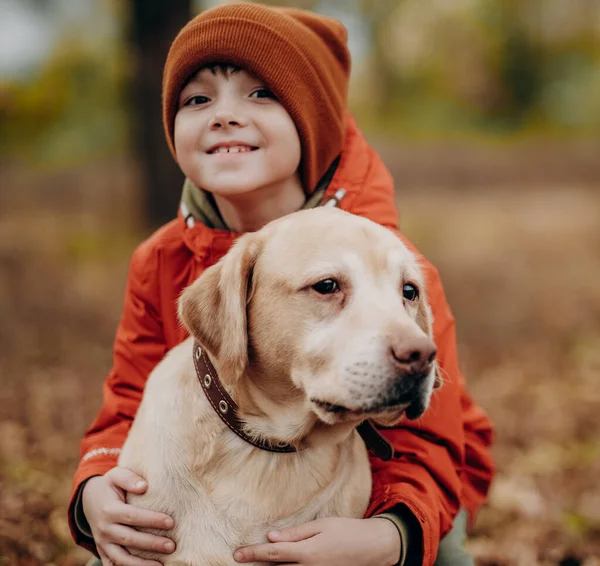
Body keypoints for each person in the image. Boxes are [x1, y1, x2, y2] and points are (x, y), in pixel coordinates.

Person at [68, 4, 495, 566]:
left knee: (439, 549)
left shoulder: (398, 266)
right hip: (213, 474)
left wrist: (390, 538)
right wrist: (94, 484)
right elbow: (125, 403)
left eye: (261, 94)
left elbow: (433, 444)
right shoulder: (161, 261)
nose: (224, 116)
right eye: (198, 99)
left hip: (392, 490)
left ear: (310, 125)